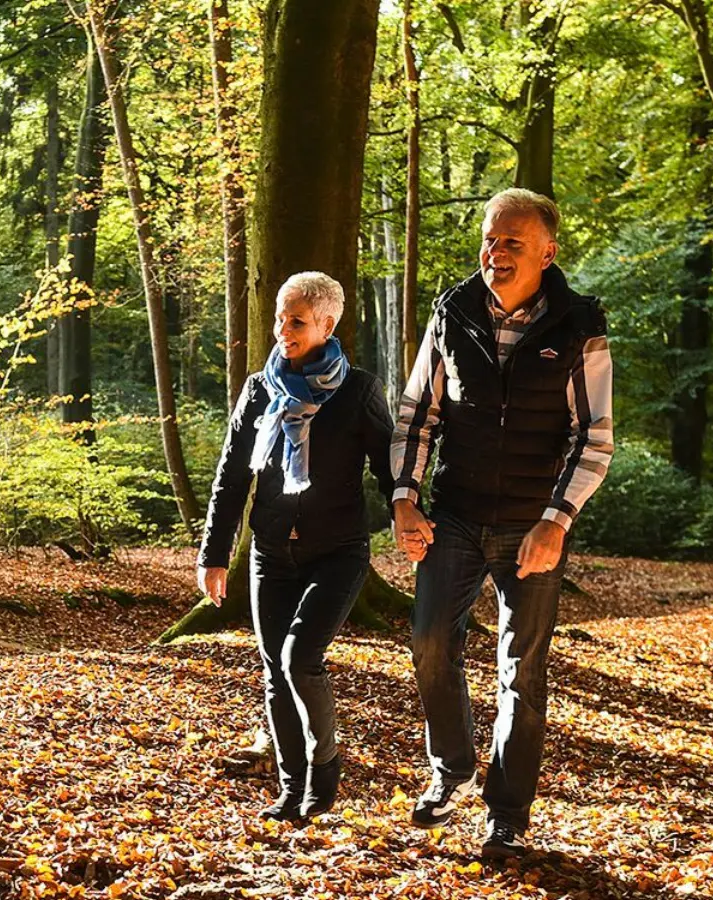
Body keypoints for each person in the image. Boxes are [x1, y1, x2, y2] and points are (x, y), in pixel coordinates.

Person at [389, 188, 614, 860]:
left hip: (532, 527)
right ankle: (451, 766)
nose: (496, 252)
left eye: (513, 241)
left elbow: (593, 436)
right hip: (453, 516)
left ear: (548, 250)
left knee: (523, 671)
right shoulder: (452, 313)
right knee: (430, 642)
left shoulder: (580, 326)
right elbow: (416, 415)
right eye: (490, 239)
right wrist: (404, 498)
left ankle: (508, 815)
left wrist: (557, 520)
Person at [196, 271, 397, 822]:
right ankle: (292, 790)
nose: (283, 330)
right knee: (272, 671)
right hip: (269, 554)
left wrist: (411, 515)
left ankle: (325, 766)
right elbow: (232, 476)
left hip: (337, 552)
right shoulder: (260, 389)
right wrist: (214, 556)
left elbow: (388, 467)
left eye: (297, 321)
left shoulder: (358, 390)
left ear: (327, 324)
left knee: (299, 658)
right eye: (280, 319)